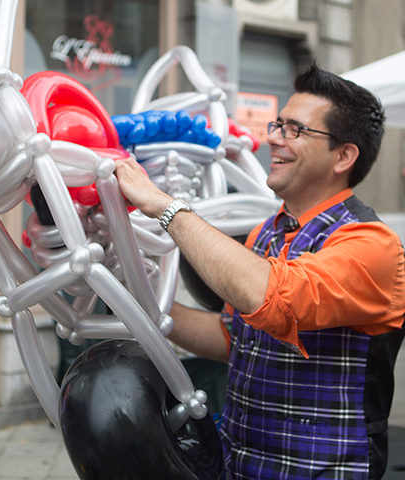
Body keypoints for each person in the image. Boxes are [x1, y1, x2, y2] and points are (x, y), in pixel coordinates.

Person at [115, 64, 405, 480]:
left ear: (344, 156)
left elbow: (271, 295)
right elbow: (234, 339)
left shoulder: (374, 246)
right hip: (237, 465)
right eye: (278, 124)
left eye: (295, 130)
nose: (272, 138)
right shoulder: (267, 231)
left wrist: (165, 207)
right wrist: (134, 290)